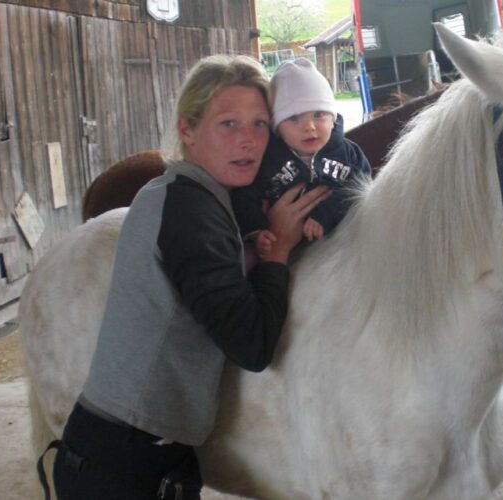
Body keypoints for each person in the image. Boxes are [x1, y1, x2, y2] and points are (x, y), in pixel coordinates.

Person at [38, 54, 329, 499]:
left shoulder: (180, 193)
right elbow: (252, 345)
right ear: (187, 130)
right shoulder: (191, 213)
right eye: (228, 124)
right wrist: (281, 250)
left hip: (135, 452)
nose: (249, 141)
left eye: (258, 125)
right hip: (127, 464)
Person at [231, 58, 371, 257]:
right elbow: (245, 196)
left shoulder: (348, 154)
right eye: (294, 118)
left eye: (319, 114)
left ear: (333, 118)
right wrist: (257, 230)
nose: (309, 127)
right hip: (287, 250)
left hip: (341, 242)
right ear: (277, 128)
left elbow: (361, 187)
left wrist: (325, 214)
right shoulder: (268, 159)